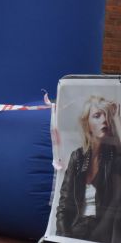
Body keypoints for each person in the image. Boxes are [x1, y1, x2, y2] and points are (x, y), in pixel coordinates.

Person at [56, 96, 121, 242]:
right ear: (87, 124)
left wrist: (117, 120)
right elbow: (63, 207)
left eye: (107, 116)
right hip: (77, 229)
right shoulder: (77, 157)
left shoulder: (115, 158)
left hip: (105, 233)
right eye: (97, 116)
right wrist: (64, 237)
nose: (104, 120)